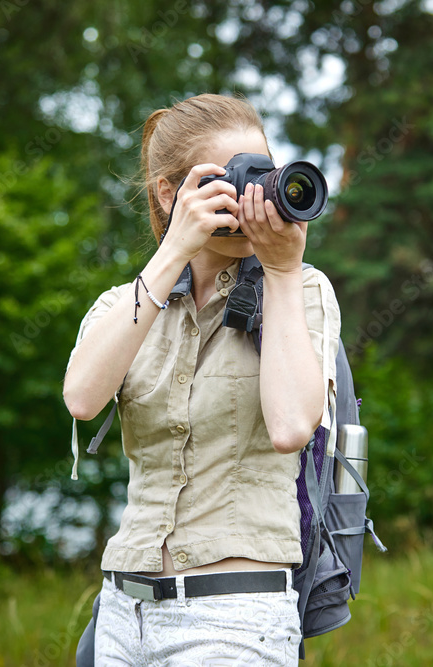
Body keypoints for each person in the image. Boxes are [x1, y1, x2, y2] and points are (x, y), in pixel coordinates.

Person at [62, 93, 340, 665]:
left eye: (263, 174)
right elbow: (82, 398)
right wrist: (175, 251)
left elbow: (291, 426)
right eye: (233, 177)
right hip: (122, 613)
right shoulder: (126, 304)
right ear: (171, 192)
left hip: (235, 619)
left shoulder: (303, 290)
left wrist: (282, 270)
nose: (253, 196)